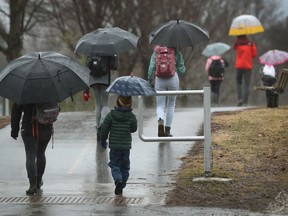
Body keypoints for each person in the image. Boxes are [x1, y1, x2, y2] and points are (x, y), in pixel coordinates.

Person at [10, 103, 56, 195]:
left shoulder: (23, 92)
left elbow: (16, 111)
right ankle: (38, 181)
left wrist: (14, 131)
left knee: (30, 155)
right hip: (46, 127)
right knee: (41, 153)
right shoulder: (49, 90)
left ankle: (32, 185)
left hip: (28, 127)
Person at [100, 95, 137, 195]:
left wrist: (103, 140)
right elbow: (134, 129)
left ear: (117, 102)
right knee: (125, 167)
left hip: (114, 147)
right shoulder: (131, 116)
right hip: (126, 147)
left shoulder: (111, 115)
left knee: (115, 164)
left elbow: (104, 129)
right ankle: (122, 183)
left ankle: (118, 180)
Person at [147, 45, 186, 137]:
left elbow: (151, 68)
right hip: (173, 78)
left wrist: (150, 82)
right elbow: (182, 69)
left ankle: (160, 121)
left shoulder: (156, 51)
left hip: (159, 79)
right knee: (171, 104)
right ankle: (167, 130)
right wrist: (177, 72)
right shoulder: (176, 51)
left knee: (160, 105)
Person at [83, 55, 118, 140]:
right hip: (105, 79)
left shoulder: (91, 49)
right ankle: (103, 126)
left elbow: (87, 65)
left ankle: (98, 127)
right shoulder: (108, 49)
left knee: (98, 104)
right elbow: (114, 66)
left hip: (93, 79)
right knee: (105, 104)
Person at [233, 35, 257, 106]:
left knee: (238, 83)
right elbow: (254, 55)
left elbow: (233, 48)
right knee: (246, 84)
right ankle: (245, 101)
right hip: (248, 66)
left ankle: (240, 98)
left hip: (239, 66)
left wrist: (237, 40)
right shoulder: (250, 44)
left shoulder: (237, 44)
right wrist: (252, 46)